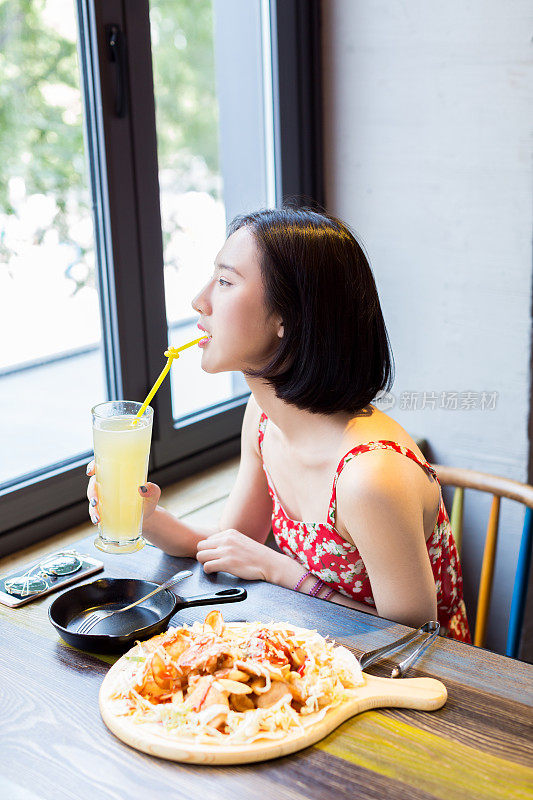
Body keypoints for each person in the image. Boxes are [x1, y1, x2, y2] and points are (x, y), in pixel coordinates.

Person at [86, 206, 471, 643]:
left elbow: (414, 635)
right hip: (323, 648)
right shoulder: (265, 419)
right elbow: (230, 542)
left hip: (415, 682)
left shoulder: (371, 477)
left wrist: (280, 570)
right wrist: (146, 517)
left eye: (226, 282)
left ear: (287, 317)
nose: (200, 300)